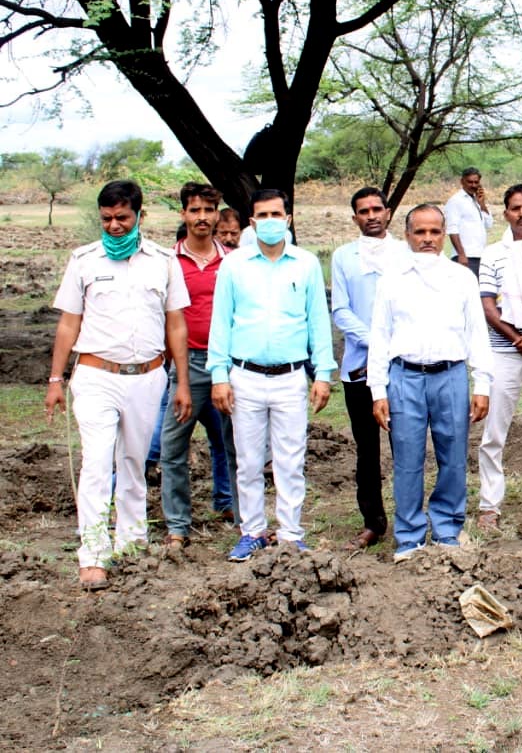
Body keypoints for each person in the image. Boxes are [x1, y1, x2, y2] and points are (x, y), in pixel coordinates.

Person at [45, 180, 191, 589]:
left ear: (139, 217)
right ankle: (92, 553)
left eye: (122, 218)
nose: (113, 226)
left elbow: (175, 323)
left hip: (147, 378)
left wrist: (180, 382)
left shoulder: (162, 261)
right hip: (95, 377)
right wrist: (56, 379)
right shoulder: (84, 261)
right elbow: (68, 323)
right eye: (107, 218)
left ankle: (132, 545)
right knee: (95, 463)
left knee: (134, 464)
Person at [209, 189, 335, 562]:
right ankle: (252, 531)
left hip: (290, 376)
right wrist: (219, 374)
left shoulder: (306, 264)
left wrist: (323, 373)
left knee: (290, 459)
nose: (269, 222)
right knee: (248, 461)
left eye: (275, 215)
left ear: (288, 219)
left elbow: (317, 321)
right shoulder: (234, 266)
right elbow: (222, 322)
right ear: (251, 223)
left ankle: (291, 533)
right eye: (261, 216)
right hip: (244, 375)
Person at [368, 205, 492, 559]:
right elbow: (380, 336)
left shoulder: (462, 277)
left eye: (434, 232)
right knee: (407, 457)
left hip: (450, 376)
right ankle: (409, 535)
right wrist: (379, 390)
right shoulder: (391, 279)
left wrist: (482, 384)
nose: (427, 239)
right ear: (407, 235)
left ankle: (447, 529)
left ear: (444, 235)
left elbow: (476, 335)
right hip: (404, 377)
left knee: (452, 455)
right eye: (419, 232)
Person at [158, 182, 240, 547]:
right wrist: (174, 372)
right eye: (195, 210)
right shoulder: (166, 262)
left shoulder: (234, 261)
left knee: (238, 444)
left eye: (209, 211)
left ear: (217, 214)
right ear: (184, 215)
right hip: (185, 363)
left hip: (228, 364)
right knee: (172, 447)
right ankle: (178, 525)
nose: (202, 218)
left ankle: (244, 518)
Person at [331, 187, 403, 550]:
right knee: (366, 449)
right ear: (355, 217)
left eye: (377, 209)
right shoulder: (344, 257)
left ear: (388, 213)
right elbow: (341, 310)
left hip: (402, 368)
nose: (371, 215)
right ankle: (372, 522)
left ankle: (409, 519)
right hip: (359, 368)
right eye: (364, 211)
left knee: (404, 445)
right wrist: (376, 342)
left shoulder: (406, 254)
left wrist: (395, 345)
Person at [476, 184, 522, 530]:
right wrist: (520, 340)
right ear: (505, 213)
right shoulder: (493, 253)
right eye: (515, 208)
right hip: (504, 351)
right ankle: (490, 505)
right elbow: (488, 306)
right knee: (494, 432)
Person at [444, 166, 492, 275]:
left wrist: (482, 203)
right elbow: (452, 230)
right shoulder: (456, 201)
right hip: (465, 257)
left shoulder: (476, 201)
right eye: (470, 182)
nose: (473, 185)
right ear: (462, 181)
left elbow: (489, 224)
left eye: (476, 182)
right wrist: (461, 255)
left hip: (480, 256)